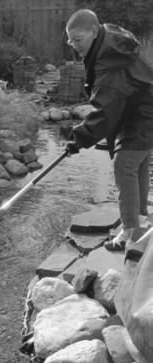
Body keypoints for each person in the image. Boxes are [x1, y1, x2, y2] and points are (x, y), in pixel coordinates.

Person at [63, 9, 153, 251]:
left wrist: (78, 138)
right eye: (71, 41)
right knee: (138, 164)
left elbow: (105, 110)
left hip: (142, 115)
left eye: (78, 40)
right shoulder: (109, 38)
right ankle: (140, 222)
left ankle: (129, 233)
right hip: (141, 110)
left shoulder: (109, 57)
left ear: (93, 32)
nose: (75, 46)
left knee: (124, 165)